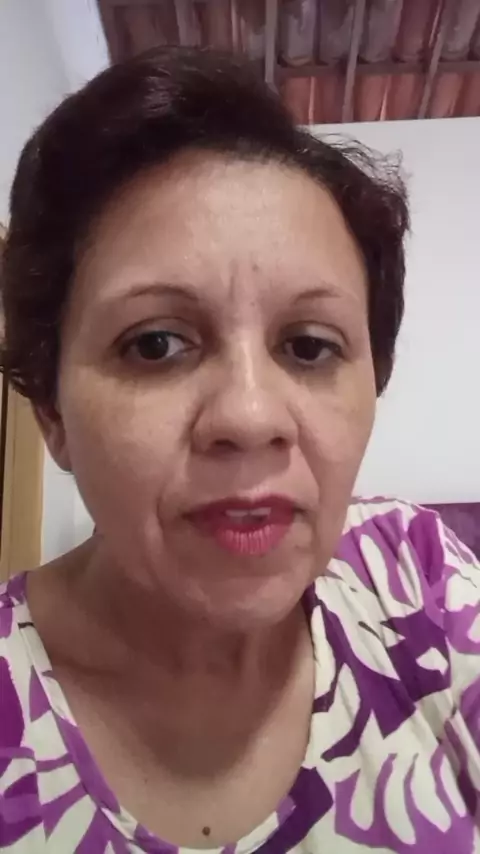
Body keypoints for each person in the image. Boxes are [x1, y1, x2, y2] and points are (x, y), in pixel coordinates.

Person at [0, 46, 479, 854]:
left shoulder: (418, 577)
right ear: (52, 411)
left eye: (309, 345)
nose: (252, 417)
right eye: (155, 344)